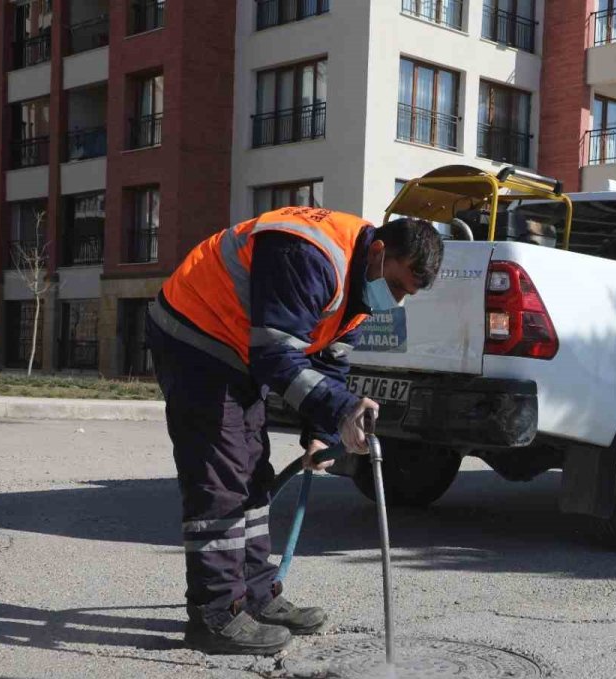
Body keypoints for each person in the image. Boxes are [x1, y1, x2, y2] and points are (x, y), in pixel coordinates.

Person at [146, 206, 443, 655]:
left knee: (252, 472)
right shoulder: (309, 254)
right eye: (397, 286)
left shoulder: (360, 285)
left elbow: (327, 360)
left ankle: (256, 596)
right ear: (380, 251)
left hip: (234, 347)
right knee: (221, 478)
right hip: (196, 335)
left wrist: (320, 430)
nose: (396, 300)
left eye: (407, 294)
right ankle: (215, 616)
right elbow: (278, 357)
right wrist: (343, 409)